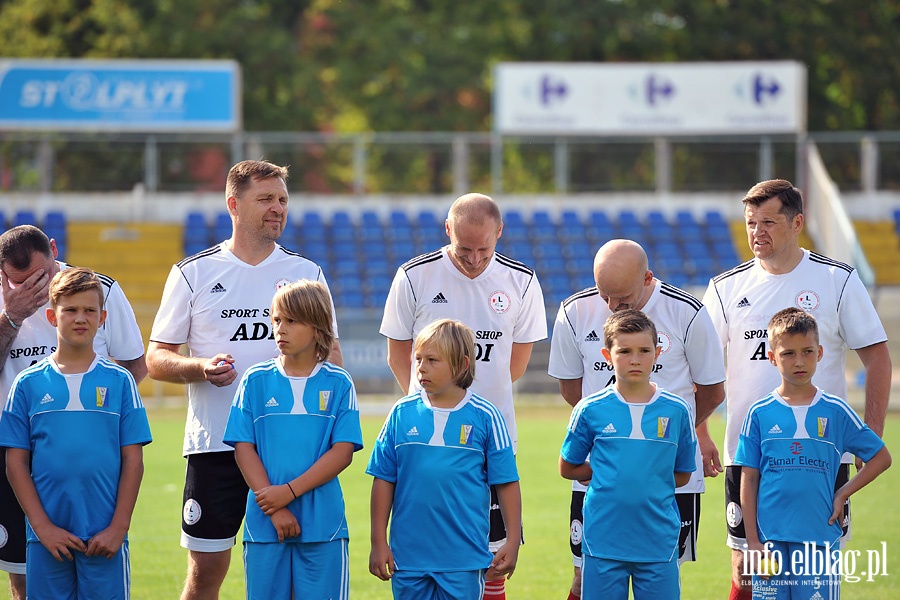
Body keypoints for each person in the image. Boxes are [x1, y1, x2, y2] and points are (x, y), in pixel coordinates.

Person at [146, 159, 342, 600]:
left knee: (294, 568)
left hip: (291, 451)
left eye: (283, 200)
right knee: (206, 570)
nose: (278, 208)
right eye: (266, 199)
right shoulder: (193, 273)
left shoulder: (306, 273)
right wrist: (200, 368)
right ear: (234, 204)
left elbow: (332, 356)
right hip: (217, 445)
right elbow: (156, 359)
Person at [701, 179, 892, 600]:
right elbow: (703, 367)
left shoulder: (836, 280)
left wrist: (871, 431)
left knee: (815, 566)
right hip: (749, 453)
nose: (757, 232)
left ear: (797, 223)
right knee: (747, 567)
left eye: (768, 221)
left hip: (821, 455)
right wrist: (700, 431)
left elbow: (877, 356)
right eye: (751, 222)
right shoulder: (725, 288)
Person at [380, 192, 546, 600]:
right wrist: (430, 408)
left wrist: (472, 407)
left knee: (492, 564)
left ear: (500, 233)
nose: (474, 259)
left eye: (484, 249)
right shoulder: (414, 275)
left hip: (489, 438)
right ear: (447, 230)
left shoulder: (521, 280)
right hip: (425, 443)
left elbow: (515, 364)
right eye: (464, 249)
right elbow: (397, 352)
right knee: (428, 555)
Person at [549, 239, 725, 599]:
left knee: (661, 575)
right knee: (583, 581)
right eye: (604, 295)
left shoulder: (687, 312)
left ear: (647, 278)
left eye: (623, 299)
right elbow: (572, 391)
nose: (611, 307)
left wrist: (676, 437)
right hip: (603, 482)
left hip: (666, 486)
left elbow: (711, 391)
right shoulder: (573, 310)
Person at [0, 225, 147, 600]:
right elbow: (15, 461)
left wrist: (95, 413)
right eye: (20, 283)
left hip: (98, 489)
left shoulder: (103, 291)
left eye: (40, 277)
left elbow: (134, 367)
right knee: (23, 578)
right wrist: (10, 318)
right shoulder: (27, 383)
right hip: (17, 455)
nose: (33, 288)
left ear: (53, 251)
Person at [735, 308, 891, 598]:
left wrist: (842, 494)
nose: (799, 361)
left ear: (819, 353)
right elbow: (749, 477)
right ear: (772, 357)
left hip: (819, 541)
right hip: (770, 544)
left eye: (807, 351)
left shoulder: (835, 410)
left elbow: (881, 458)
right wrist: (752, 542)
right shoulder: (759, 413)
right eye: (788, 354)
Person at [223, 280, 362, 599]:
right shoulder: (255, 380)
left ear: (317, 327)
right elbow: (243, 448)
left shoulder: (339, 383)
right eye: (276, 320)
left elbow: (342, 453)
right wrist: (274, 507)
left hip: (323, 528)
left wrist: (287, 493)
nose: (280, 329)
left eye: (292, 320)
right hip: (265, 527)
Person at [368, 318, 522, 600]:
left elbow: (507, 482)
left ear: (462, 364)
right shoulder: (401, 413)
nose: (421, 367)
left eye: (432, 360)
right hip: (409, 559)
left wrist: (512, 541)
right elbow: (383, 480)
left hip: (463, 559)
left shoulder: (486, 416)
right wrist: (378, 541)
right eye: (418, 359)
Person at [559, 309, 696, 600]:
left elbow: (683, 474)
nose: (635, 359)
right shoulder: (590, 408)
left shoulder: (676, 410)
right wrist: (608, 473)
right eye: (624, 351)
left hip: (657, 540)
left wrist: (643, 477)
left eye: (644, 350)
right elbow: (568, 467)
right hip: (603, 541)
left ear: (657, 353)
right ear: (607, 355)